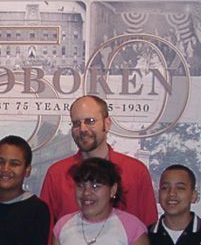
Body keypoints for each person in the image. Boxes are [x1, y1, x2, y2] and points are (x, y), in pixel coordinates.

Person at [38, 94, 158, 230]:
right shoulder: (57, 174)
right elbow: (45, 230)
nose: (82, 129)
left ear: (107, 124)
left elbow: (147, 226)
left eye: (90, 121)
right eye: (76, 123)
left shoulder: (136, 171)